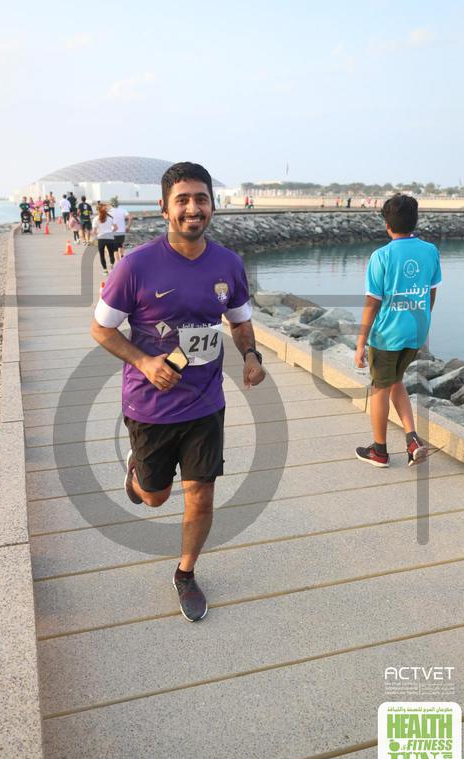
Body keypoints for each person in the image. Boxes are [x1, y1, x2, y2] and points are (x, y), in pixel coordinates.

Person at [91, 161, 266, 622]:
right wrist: (145, 362)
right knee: (154, 496)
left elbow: (240, 321)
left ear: (213, 205)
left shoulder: (228, 263)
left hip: (206, 402)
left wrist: (251, 356)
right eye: (182, 200)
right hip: (150, 405)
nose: (193, 208)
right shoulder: (135, 266)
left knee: (201, 495)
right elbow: (101, 329)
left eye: (201, 199)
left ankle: (186, 573)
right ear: (164, 209)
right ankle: (138, 475)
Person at [354, 193, 442, 468]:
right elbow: (431, 292)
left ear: (387, 225)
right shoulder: (430, 251)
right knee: (395, 382)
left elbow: (372, 303)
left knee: (379, 388)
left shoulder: (381, 256)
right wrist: (422, 320)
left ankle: (379, 451)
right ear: (414, 221)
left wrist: (361, 342)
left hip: (387, 335)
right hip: (416, 332)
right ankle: (412, 441)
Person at [92, 203, 118, 273]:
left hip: (101, 238)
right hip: (110, 237)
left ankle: (105, 270)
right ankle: (112, 266)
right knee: (111, 253)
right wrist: (111, 232)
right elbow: (116, 228)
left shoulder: (95, 219)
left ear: (98, 210)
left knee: (102, 255)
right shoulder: (110, 218)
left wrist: (98, 235)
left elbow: (94, 231)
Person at [108, 197, 132, 261]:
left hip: (113, 232)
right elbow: (130, 218)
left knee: (115, 249)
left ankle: (118, 262)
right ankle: (122, 258)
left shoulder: (109, 212)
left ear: (111, 204)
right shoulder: (123, 210)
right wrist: (128, 227)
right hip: (122, 232)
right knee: (120, 245)